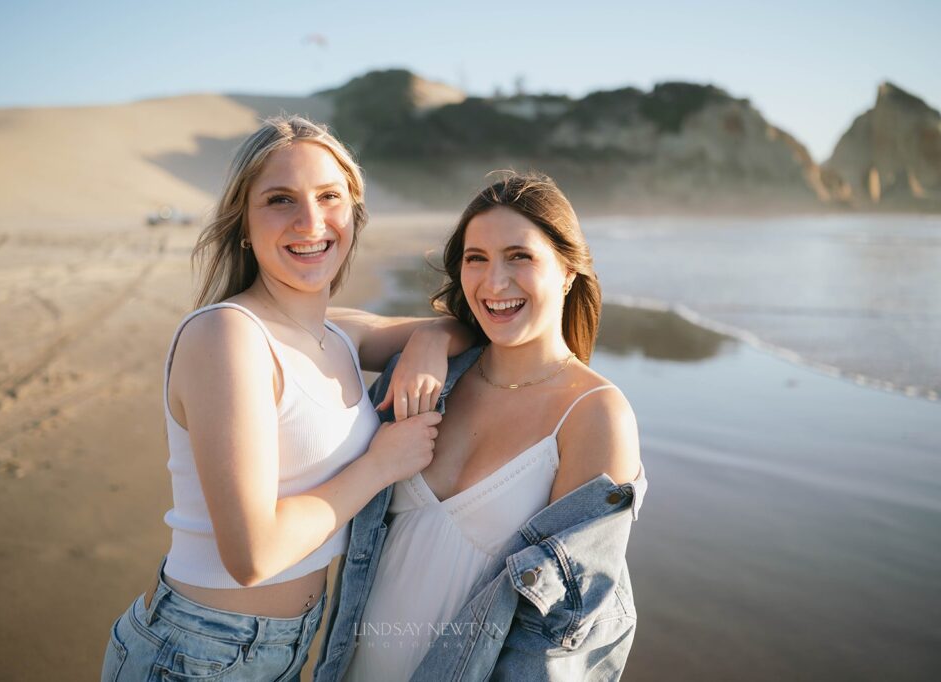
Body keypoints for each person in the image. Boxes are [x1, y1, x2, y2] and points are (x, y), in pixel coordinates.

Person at [100, 116, 470, 682]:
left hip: (287, 647)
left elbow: (470, 328)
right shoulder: (228, 336)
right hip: (200, 653)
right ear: (243, 224)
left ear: (354, 215)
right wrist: (381, 465)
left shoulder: (337, 334)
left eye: (330, 197)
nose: (311, 221)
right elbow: (253, 554)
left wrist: (428, 343)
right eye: (280, 200)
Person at [314, 173, 647, 681]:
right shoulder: (432, 380)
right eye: (477, 259)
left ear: (568, 271)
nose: (494, 283)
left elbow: (561, 637)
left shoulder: (594, 414)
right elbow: (312, 326)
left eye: (519, 256)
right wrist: (431, 333)